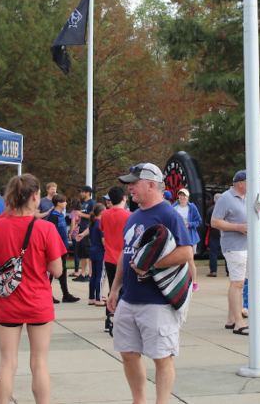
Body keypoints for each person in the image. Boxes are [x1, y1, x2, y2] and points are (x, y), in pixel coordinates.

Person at [108, 163, 192, 404]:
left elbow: (186, 253)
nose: (130, 188)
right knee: (127, 354)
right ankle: (139, 401)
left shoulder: (168, 214)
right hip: (129, 299)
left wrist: (151, 266)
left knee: (161, 357)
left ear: (151, 185)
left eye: (134, 183)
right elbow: (125, 254)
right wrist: (115, 289)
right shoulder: (133, 216)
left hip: (157, 302)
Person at [0, 174, 65, 404]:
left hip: (8, 304)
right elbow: (57, 271)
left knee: (7, 363)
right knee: (39, 364)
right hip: (39, 304)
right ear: (36, 196)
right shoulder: (46, 229)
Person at [211, 171, 249, 335]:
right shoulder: (226, 198)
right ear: (241, 183)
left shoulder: (247, 198)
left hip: (246, 245)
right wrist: (237, 227)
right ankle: (239, 323)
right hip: (234, 246)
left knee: (238, 282)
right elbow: (214, 221)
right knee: (238, 283)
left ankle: (231, 318)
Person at [101, 185, 131, 331]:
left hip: (108, 257)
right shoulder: (128, 216)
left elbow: (102, 229)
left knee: (112, 287)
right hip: (122, 257)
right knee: (124, 289)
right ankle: (120, 319)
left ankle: (109, 317)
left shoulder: (105, 214)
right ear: (124, 198)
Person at [46, 194, 80, 303]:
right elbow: (51, 233)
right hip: (55, 247)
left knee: (63, 270)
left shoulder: (61, 215)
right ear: (59, 203)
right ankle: (47, 294)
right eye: (64, 202)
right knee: (52, 271)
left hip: (62, 247)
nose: (66, 203)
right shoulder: (53, 216)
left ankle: (65, 294)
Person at [172, 188, 203, 291]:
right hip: (177, 237)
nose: (182, 197)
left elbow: (198, 221)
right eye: (180, 195)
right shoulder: (174, 207)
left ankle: (194, 282)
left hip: (190, 238)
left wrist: (189, 224)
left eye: (184, 196)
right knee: (177, 260)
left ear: (187, 197)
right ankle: (179, 283)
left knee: (190, 260)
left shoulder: (192, 207)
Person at [73, 186, 95, 282]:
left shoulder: (92, 203)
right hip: (81, 229)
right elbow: (84, 218)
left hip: (88, 230)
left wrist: (81, 215)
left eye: (82, 192)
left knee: (89, 253)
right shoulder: (84, 204)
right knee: (82, 253)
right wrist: (78, 223)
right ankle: (82, 273)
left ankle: (90, 274)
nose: (81, 193)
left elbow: (93, 217)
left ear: (88, 192)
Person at [87, 203, 107, 306]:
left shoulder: (92, 224)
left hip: (93, 250)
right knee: (101, 275)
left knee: (94, 274)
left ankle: (91, 297)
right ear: (101, 212)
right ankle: (98, 298)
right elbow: (103, 240)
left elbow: (90, 238)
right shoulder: (101, 224)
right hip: (100, 251)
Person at [205, 193, 221, 277]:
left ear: (214, 200)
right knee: (226, 252)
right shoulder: (226, 209)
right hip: (225, 232)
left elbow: (207, 223)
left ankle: (213, 271)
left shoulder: (211, 209)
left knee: (213, 253)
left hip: (214, 233)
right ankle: (229, 271)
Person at [68, 197, 82, 276]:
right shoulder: (81, 212)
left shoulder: (73, 212)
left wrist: (70, 233)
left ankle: (76, 271)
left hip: (75, 234)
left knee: (76, 252)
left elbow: (72, 223)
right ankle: (82, 270)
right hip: (81, 232)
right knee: (81, 253)